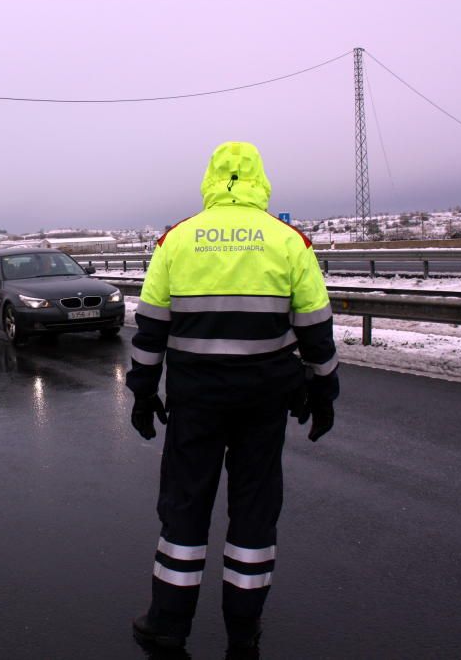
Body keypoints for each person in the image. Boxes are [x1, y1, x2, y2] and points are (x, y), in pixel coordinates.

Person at [125, 141, 339, 656]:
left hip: (195, 401)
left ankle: (167, 624)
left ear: (211, 178)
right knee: (254, 510)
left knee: (185, 508)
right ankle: (244, 630)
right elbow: (315, 326)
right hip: (265, 402)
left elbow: (151, 328)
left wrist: (142, 391)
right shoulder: (289, 242)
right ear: (260, 179)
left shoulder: (176, 241)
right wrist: (323, 389)